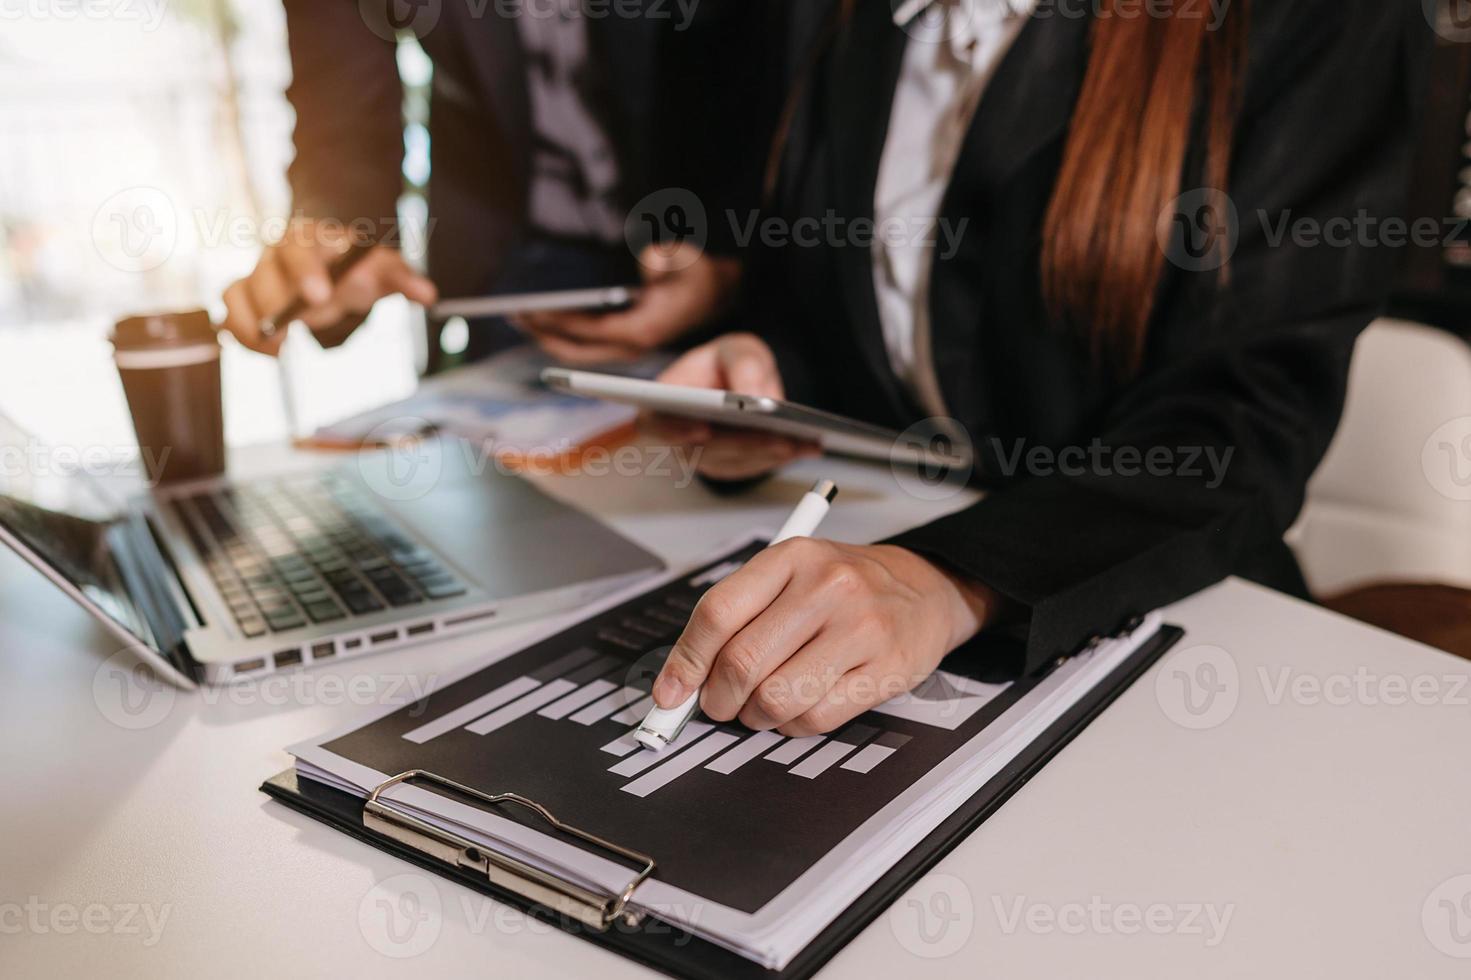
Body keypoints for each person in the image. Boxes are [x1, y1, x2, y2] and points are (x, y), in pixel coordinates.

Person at [646, 0, 1430, 736]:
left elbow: (1247, 416)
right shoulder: (840, 19)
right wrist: (765, 374)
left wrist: (946, 580)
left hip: (1176, 637)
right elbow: (873, 314)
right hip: (879, 565)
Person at [222, 0, 781, 365]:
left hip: (717, 233)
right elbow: (344, 100)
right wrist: (337, 235)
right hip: (516, 254)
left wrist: (731, 263)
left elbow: (770, 47)